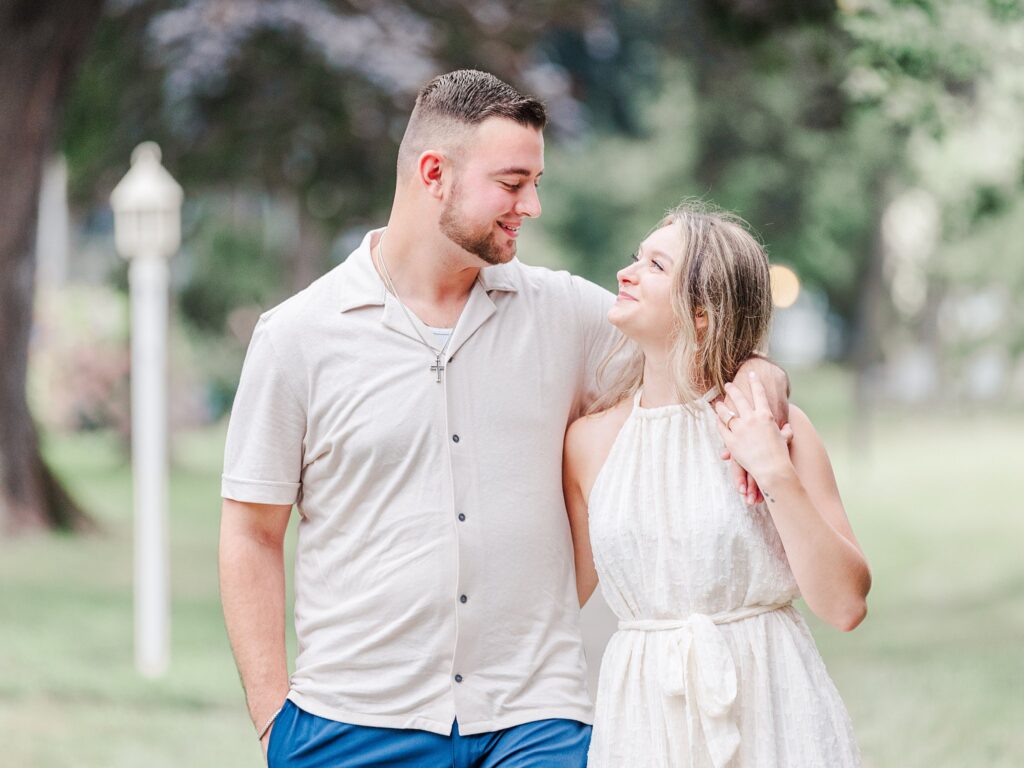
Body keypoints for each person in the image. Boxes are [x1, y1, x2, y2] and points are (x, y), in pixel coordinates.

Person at [219, 71, 789, 768]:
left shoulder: (569, 315)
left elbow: (703, 346)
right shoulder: (297, 337)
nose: (534, 205)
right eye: (513, 183)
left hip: (537, 721)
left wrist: (759, 370)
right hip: (351, 722)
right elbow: (251, 531)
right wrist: (272, 718)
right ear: (435, 174)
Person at [563, 202, 871, 768]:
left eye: (655, 266)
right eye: (637, 258)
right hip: (645, 720)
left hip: (773, 710)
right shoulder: (589, 442)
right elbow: (557, 602)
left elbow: (846, 604)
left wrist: (773, 468)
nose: (625, 273)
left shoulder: (777, 426)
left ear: (702, 313)